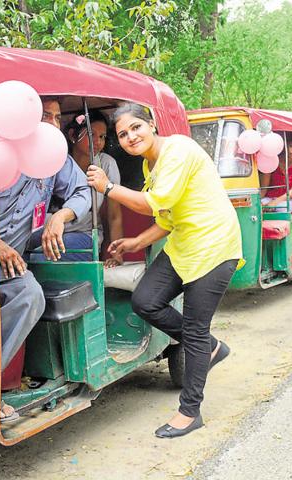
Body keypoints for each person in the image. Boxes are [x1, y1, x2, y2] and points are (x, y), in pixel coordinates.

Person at [86, 103, 242, 438]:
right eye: (123, 135)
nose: (130, 137)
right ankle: (209, 347)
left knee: (196, 330)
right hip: (184, 244)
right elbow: (167, 217)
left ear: (152, 124)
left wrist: (108, 188)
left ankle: (190, 412)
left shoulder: (179, 150)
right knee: (145, 300)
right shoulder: (150, 163)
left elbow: (153, 202)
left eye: (135, 128)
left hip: (214, 245)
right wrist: (135, 242)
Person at [0, 96, 91, 422]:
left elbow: (82, 192)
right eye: (44, 115)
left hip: (12, 263)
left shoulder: (56, 158)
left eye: (57, 118)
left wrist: (59, 217)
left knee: (31, 294)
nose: (52, 123)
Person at [30, 111, 123, 263]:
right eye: (91, 134)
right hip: (45, 228)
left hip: (84, 233)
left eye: (102, 137)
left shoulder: (106, 164)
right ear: (73, 135)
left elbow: (114, 215)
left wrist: (116, 255)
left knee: (40, 258)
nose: (97, 142)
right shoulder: (57, 159)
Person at [260, 134, 292, 212]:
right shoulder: (273, 160)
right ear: (285, 146)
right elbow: (264, 189)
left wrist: (275, 202)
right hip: (270, 197)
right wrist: (259, 202)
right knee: (259, 207)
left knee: (281, 208)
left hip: (291, 200)